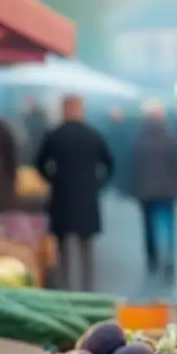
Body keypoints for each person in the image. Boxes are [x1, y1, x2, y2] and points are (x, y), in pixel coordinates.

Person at [35, 95, 114, 291]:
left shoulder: (54, 135)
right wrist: (97, 184)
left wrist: (53, 179)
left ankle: (67, 287)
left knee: (63, 247)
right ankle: (88, 288)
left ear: (64, 110)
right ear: (81, 110)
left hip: (62, 197)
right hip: (87, 198)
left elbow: (39, 163)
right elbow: (109, 164)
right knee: (86, 245)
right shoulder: (93, 135)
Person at [130, 101, 177, 284]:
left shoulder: (139, 138)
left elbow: (134, 166)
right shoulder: (171, 137)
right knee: (168, 226)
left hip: (145, 191)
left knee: (148, 227)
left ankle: (152, 260)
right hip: (168, 190)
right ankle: (169, 260)